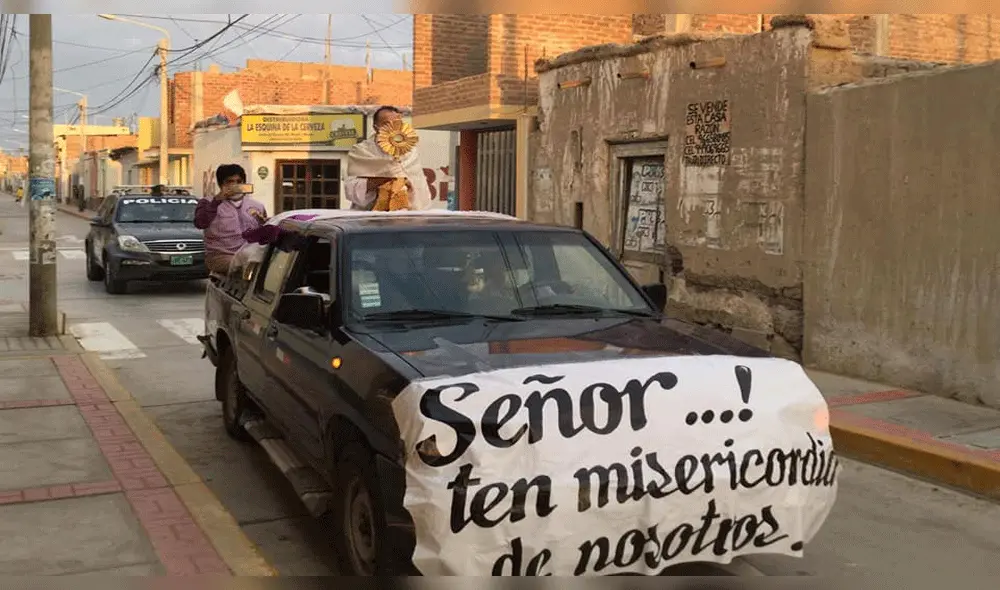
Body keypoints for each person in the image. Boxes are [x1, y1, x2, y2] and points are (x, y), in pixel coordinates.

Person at [344, 105, 432, 211]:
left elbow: (418, 184)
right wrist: (379, 180)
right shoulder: (361, 151)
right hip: (370, 215)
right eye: (386, 124)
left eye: (397, 123)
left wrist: (404, 182)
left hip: (406, 214)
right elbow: (351, 189)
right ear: (375, 127)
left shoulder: (410, 150)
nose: (392, 127)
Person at [193, 163, 267, 274]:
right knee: (246, 267)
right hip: (222, 256)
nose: (235, 186)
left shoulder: (257, 205)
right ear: (221, 184)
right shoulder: (207, 203)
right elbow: (200, 223)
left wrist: (265, 224)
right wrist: (217, 201)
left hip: (252, 254)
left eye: (239, 182)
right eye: (230, 182)